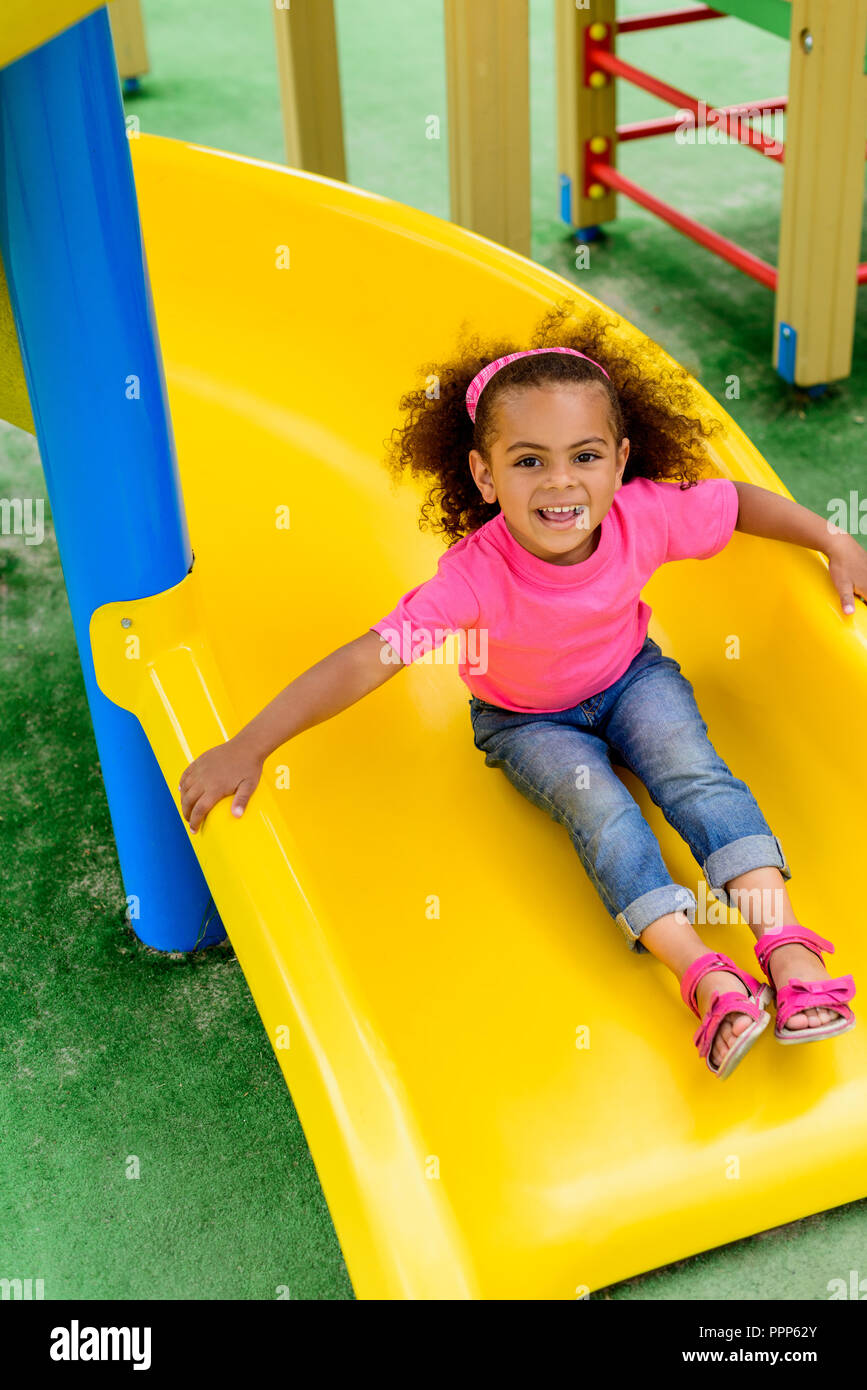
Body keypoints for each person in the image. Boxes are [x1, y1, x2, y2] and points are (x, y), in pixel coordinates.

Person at [178, 302, 864, 1079]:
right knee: (600, 810)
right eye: (528, 461)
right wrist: (249, 744)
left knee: (691, 773)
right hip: (526, 720)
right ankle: (702, 973)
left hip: (631, 677)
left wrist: (830, 537)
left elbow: (736, 503)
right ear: (483, 473)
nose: (561, 482)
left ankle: (787, 946)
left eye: (584, 455)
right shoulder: (474, 576)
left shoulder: (644, 514)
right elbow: (370, 658)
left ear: (619, 459)